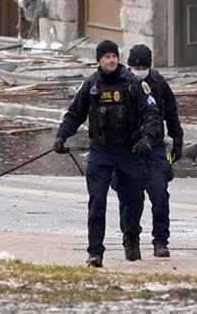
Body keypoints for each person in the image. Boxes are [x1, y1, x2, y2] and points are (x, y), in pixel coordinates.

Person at [52, 39, 163, 268]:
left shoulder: (134, 84)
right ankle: (95, 252)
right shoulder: (91, 85)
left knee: (134, 200)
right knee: (97, 201)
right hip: (101, 151)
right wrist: (62, 136)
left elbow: (152, 115)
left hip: (129, 151)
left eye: (114, 56)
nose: (111, 60)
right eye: (107, 57)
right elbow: (74, 114)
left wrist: (147, 140)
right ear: (99, 60)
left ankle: (131, 237)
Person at [117, 43, 184, 258]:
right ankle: (131, 238)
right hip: (128, 149)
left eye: (143, 67)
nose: (140, 71)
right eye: (136, 68)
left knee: (160, 193)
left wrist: (177, 140)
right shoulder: (120, 83)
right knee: (130, 199)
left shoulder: (159, 84)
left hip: (153, 148)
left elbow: (171, 113)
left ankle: (161, 240)